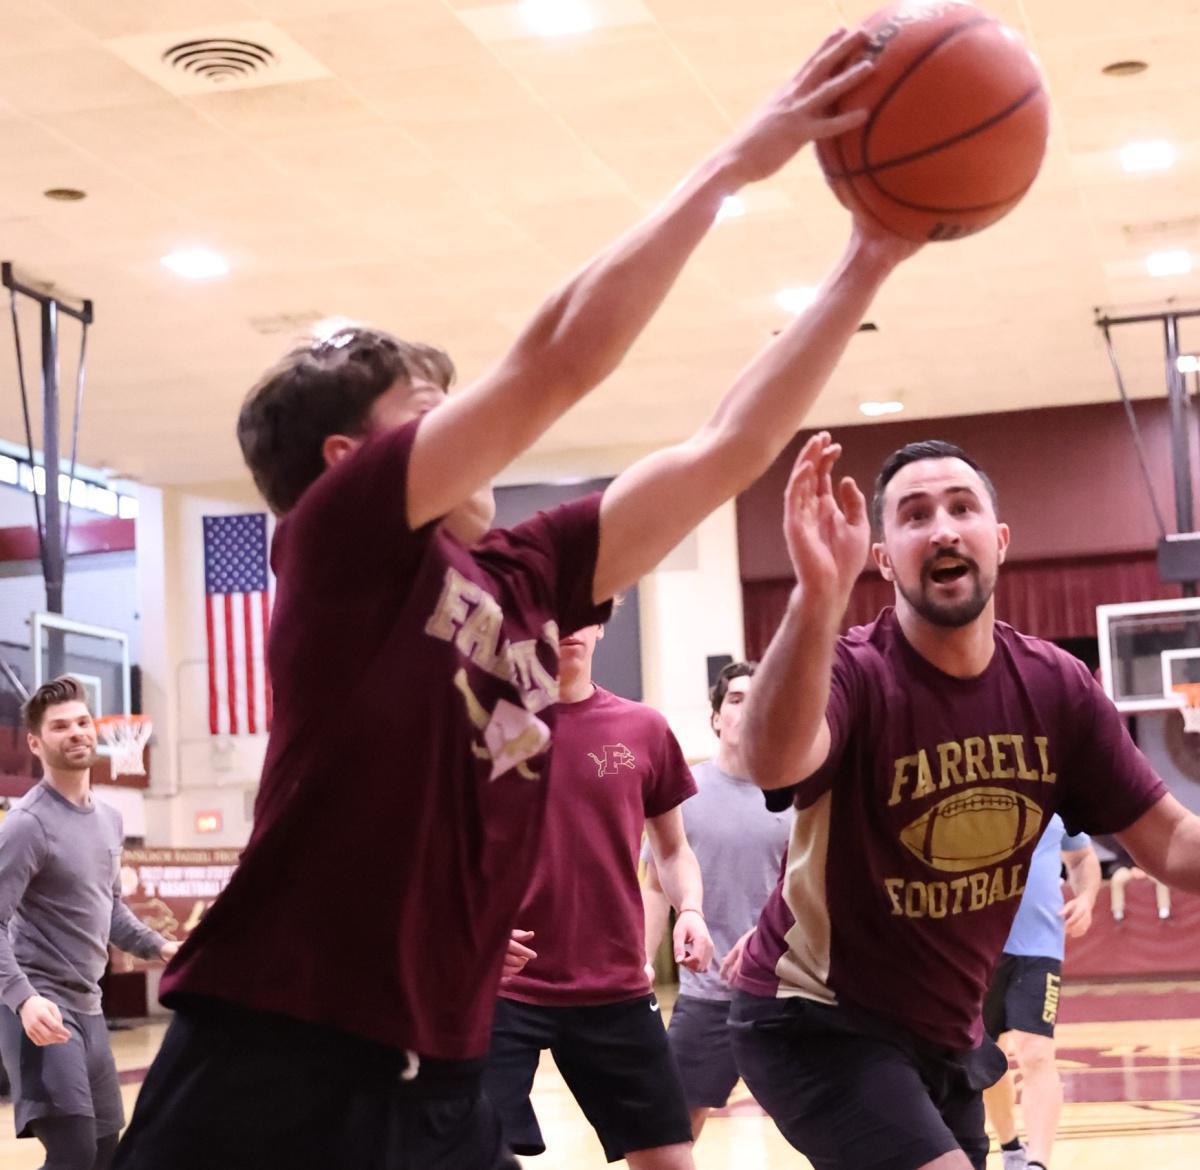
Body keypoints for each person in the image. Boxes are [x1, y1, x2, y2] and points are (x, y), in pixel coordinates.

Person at [114, 29, 920, 1170]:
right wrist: (742, 158)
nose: (466, 425)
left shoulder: (528, 575)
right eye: (428, 408)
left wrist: (871, 258)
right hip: (274, 1059)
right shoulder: (338, 543)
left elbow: (726, 445)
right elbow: (557, 362)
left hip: (437, 1074)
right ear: (352, 458)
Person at [729, 435, 1200, 1170]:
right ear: (883, 558)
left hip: (947, 1033)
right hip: (816, 1020)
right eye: (914, 515)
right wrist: (814, 597)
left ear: (1000, 540)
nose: (943, 527)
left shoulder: (1057, 689)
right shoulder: (856, 672)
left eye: (961, 507)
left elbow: (1170, 843)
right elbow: (770, 759)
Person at [483, 623, 709, 1168]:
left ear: (603, 624)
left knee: (671, 1161)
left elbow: (673, 850)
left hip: (615, 987)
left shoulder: (644, 728)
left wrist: (692, 910)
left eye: (583, 612)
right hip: (501, 986)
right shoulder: (486, 727)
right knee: (466, 1153)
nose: (567, 626)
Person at [0, 677, 177, 1170]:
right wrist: (24, 998)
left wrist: (158, 946)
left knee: (104, 1154)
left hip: (90, 1007)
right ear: (36, 743)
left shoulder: (109, 819)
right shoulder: (27, 824)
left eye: (82, 722)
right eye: (60, 726)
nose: (76, 732)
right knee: (74, 1154)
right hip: (38, 1008)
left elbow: (110, 907)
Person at [642, 661, 792, 1140]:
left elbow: (817, 895)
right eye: (735, 699)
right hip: (706, 996)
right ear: (715, 717)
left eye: (758, 699)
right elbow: (654, 886)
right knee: (670, 1130)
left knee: (827, 1127)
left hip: (785, 995)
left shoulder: (799, 798)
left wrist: (768, 936)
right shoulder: (685, 793)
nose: (747, 710)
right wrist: (642, 962)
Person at [981, 816, 1100, 1170]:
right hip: (977, 947)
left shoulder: (1058, 795)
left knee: (1035, 1053)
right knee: (985, 1060)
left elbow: (1081, 858)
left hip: (1039, 947)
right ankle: (1011, 1148)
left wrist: (1087, 899)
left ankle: (1037, 1163)